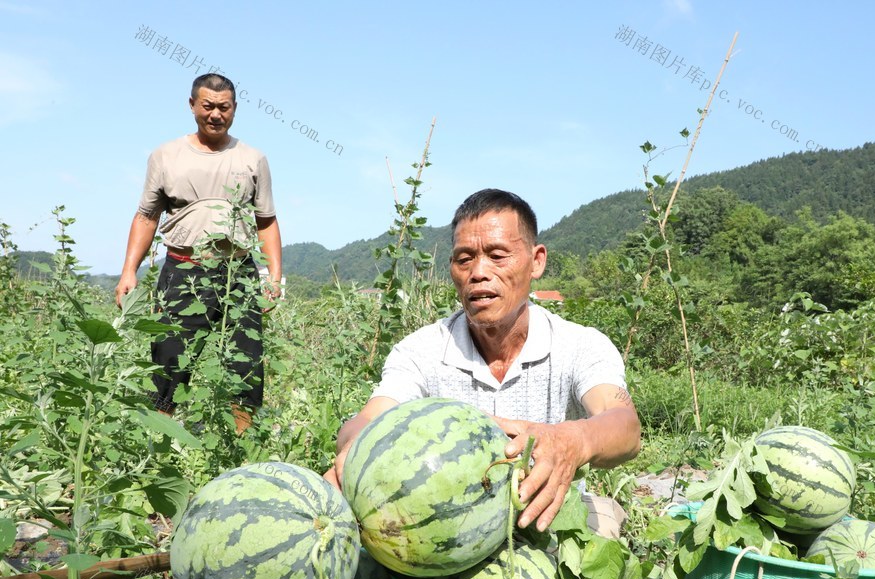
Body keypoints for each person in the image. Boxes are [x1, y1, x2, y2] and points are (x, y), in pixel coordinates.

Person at [325, 189, 640, 533]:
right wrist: (356, 449)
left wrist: (573, 440)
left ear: (536, 261)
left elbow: (625, 425)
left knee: (605, 533)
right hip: (449, 528)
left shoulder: (580, 344)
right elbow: (369, 418)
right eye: (464, 259)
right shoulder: (421, 350)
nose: (478, 272)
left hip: (550, 517)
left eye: (497, 255)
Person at [115, 73, 282, 434]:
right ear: (192, 105)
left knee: (247, 363)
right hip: (183, 269)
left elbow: (266, 221)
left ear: (235, 109)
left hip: (238, 273)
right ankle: (162, 445)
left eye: (224, 107)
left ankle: (242, 447)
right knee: (169, 360)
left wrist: (274, 278)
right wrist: (129, 270)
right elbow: (147, 216)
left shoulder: (253, 158)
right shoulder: (166, 155)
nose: (216, 114)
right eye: (208, 106)